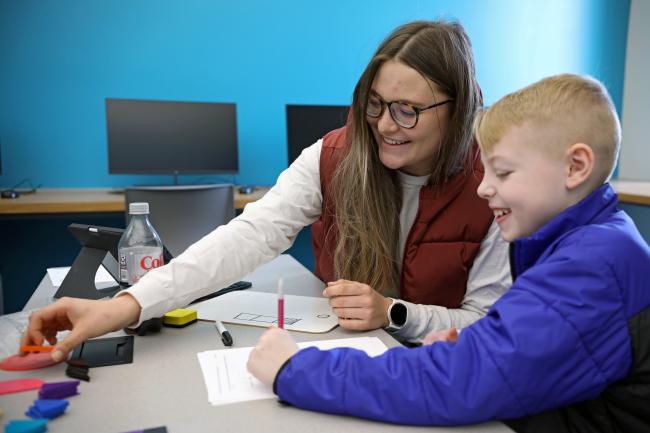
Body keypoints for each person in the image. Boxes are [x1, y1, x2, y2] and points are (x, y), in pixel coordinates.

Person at [22, 20, 510, 361]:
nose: (384, 125)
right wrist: (120, 308)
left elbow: (490, 325)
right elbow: (247, 237)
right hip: (347, 353)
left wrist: (393, 313)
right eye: (375, 104)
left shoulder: (494, 187)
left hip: (442, 369)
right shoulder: (333, 155)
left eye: (407, 110)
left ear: (458, 107)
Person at [247, 74, 650, 432]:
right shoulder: (599, 241)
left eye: (504, 172)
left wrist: (295, 369)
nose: (483, 188)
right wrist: (475, 343)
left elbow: (457, 384)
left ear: (575, 166)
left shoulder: (591, 268)